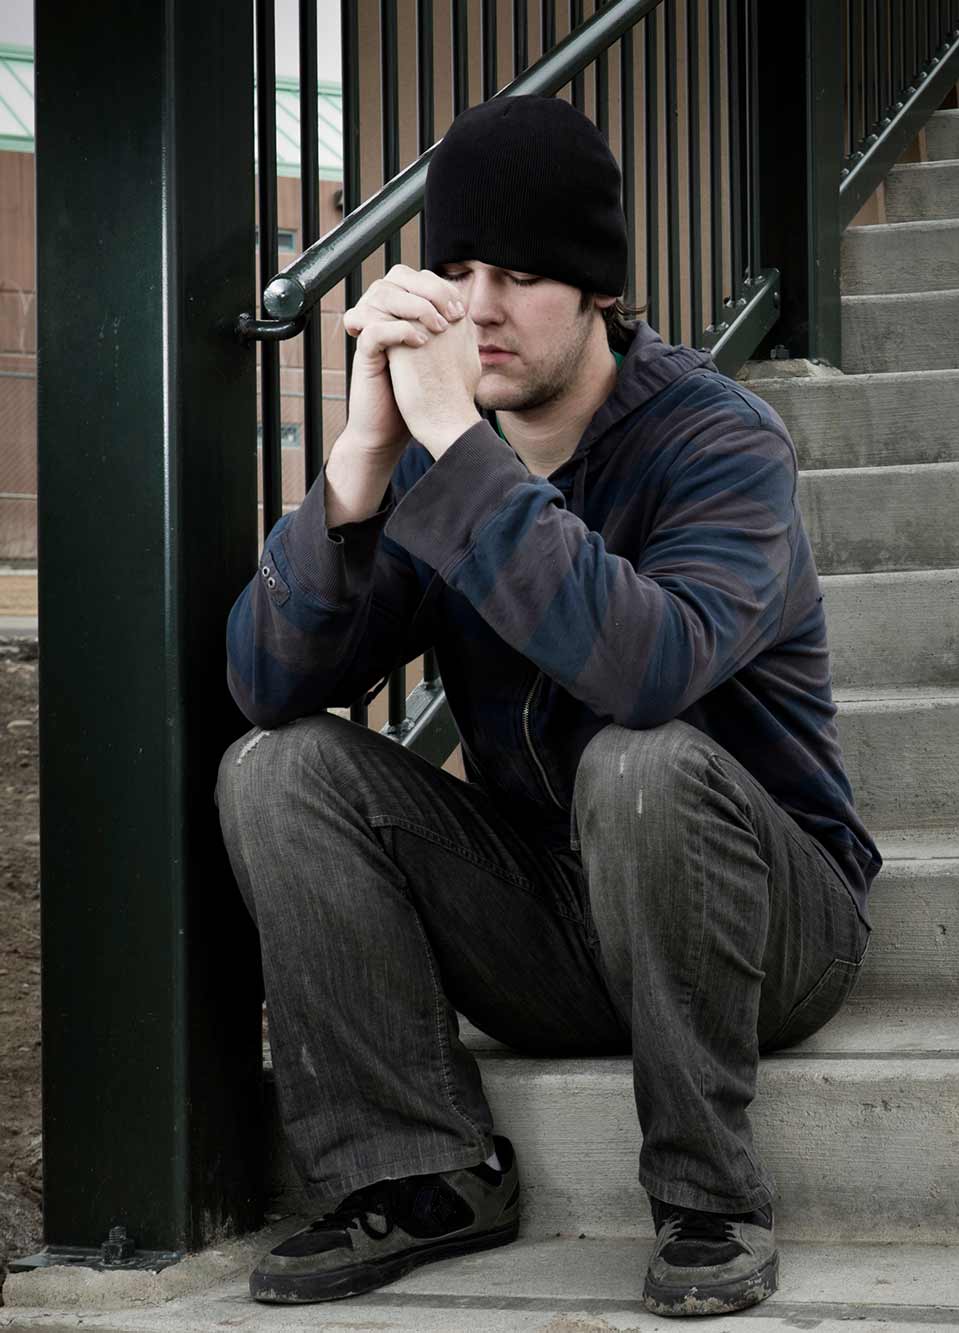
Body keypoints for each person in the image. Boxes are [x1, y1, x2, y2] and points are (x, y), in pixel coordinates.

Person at [214, 94, 877, 1318]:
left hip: (767, 917)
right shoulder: (436, 459)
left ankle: (707, 1198)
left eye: (520, 276)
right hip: (556, 915)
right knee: (276, 767)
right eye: (458, 268)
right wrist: (360, 466)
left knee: (638, 761)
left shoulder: (722, 445)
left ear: (600, 294)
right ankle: (419, 1177)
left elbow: (644, 670)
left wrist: (458, 447)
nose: (478, 308)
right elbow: (268, 683)